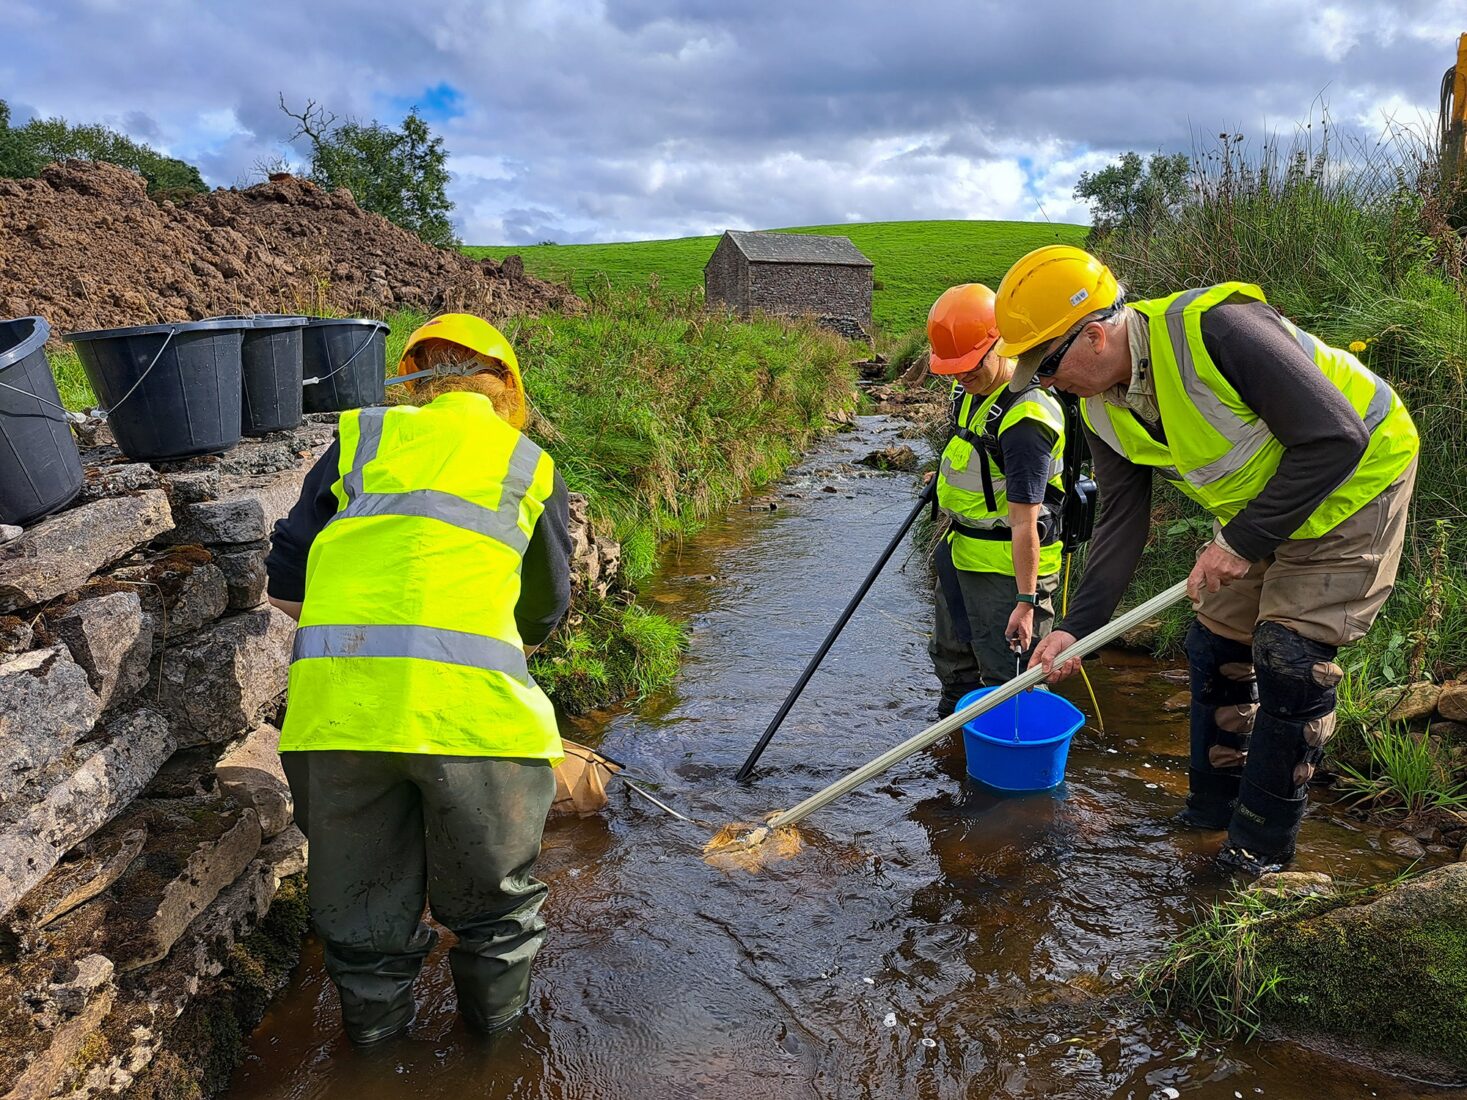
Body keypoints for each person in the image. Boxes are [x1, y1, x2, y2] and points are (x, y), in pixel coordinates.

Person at [995, 245, 1419, 875]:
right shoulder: (1098, 405)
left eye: (1047, 368)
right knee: (1213, 648)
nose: (1047, 385)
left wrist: (1240, 544)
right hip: (1263, 508)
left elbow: (1337, 437)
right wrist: (1073, 629)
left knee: (1289, 657)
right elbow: (1121, 519)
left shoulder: (1218, 330)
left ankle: (1258, 854)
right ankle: (1210, 813)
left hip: (1356, 483)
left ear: (1091, 336)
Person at [264, 312, 573, 1043]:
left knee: (360, 923)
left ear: (414, 379)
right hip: (475, 726)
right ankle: (493, 1059)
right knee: (495, 918)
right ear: (506, 390)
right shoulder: (526, 463)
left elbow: (284, 581)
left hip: (337, 723)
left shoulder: (360, 439)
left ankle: (371, 1063)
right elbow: (544, 609)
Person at [925, 283, 1067, 717]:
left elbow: (1025, 522)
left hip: (1009, 571)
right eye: (951, 368)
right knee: (954, 666)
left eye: (969, 364)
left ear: (1001, 345)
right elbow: (974, 457)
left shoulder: (1026, 419)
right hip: (964, 553)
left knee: (1010, 685)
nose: (959, 376)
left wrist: (1026, 603)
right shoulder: (970, 392)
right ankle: (951, 747)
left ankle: (1012, 782)